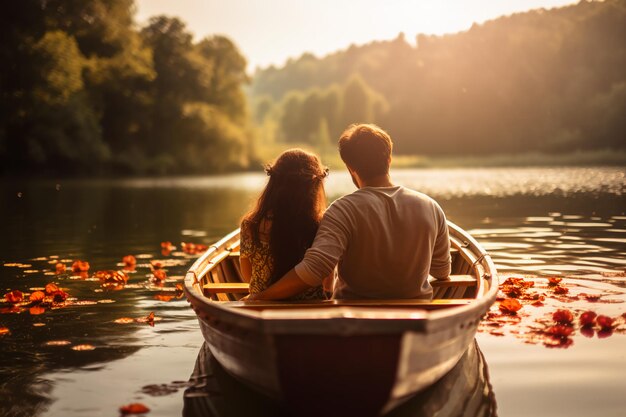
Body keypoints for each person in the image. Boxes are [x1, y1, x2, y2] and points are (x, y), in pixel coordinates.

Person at [247, 124, 451, 301]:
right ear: (389, 159)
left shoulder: (342, 210)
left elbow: (314, 270)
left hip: (355, 321)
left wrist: (260, 297)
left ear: (350, 167)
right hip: (416, 317)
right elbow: (442, 272)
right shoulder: (431, 207)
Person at [239, 149, 330, 300]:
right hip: (311, 309)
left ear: (274, 182)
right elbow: (327, 277)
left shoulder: (251, 224)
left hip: (260, 305)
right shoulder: (322, 224)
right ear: (313, 186)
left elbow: (247, 276)